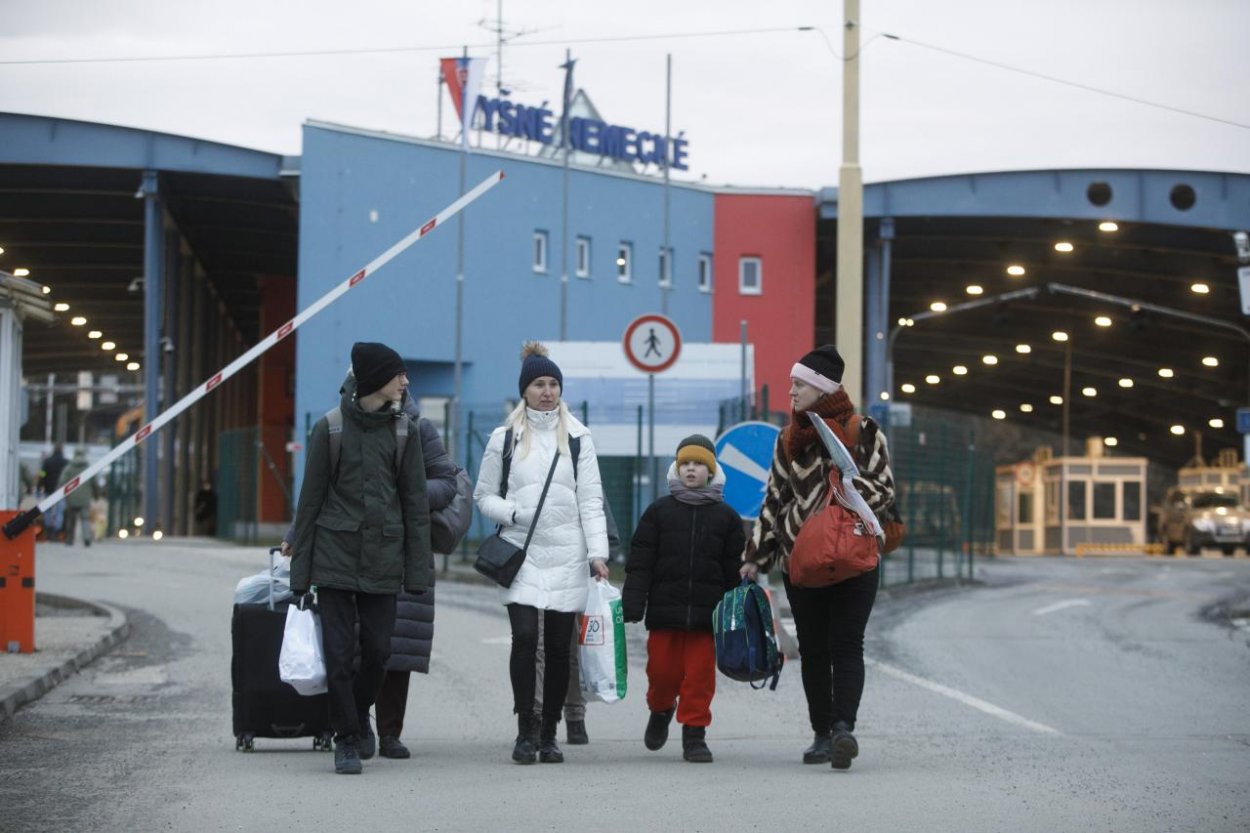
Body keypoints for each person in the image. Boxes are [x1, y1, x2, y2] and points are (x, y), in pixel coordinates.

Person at [282, 367, 462, 761]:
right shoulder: (335, 427)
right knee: (347, 649)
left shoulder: (415, 428)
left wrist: (400, 492)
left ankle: (390, 732)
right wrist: (297, 536)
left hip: (395, 547)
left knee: (390, 650)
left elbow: (445, 482)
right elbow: (319, 489)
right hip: (342, 551)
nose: (404, 383)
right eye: (396, 376)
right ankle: (350, 730)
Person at [741, 345, 895, 771]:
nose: (790, 392)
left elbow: (884, 490)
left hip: (853, 555)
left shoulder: (862, 431)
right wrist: (757, 555)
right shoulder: (788, 437)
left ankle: (843, 727)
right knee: (812, 649)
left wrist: (844, 486)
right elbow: (774, 496)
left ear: (821, 389)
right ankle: (822, 734)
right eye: (791, 383)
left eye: (799, 384)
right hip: (801, 559)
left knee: (846, 644)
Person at [473, 341, 610, 765]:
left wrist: (597, 554)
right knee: (526, 639)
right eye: (538, 384)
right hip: (523, 550)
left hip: (569, 551)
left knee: (557, 647)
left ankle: (550, 731)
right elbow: (483, 496)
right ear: (524, 390)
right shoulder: (505, 437)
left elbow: (591, 500)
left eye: (553, 384)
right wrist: (513, 512)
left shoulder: (578, 437)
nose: (547, 391)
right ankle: (525, 729)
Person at [622, 435, 744, 763]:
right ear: (677, 469)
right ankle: (661, 710)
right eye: (685, 464)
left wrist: (735, 612)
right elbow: (640, 561)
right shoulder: (658, 512)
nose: (691, 469)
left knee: (700, 678)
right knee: (661, 673)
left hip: (708, 617)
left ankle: (694, 734)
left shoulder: (727, 518)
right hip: (664, 613)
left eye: (699, 464)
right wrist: (633, 602)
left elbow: (733, 569)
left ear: (711, 471)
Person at [533, 501, 621, 745]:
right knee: (536, 647)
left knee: (570, 649)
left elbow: (607, 531)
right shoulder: (528, 468)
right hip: (537, 572)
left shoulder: (584, 473)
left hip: (577, 574)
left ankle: (574, 715)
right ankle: (536, 717)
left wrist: (598, 560)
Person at [59, 447, 94, 547]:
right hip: (85, 498)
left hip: (71, 498)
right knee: (85, 519)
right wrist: (96, 494)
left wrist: (63, 493)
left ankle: (69, 539)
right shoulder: (88, 468)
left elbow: (62, 481)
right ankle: (87, 538)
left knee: (71, 519)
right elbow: (94, 482)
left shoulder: (69, 467)